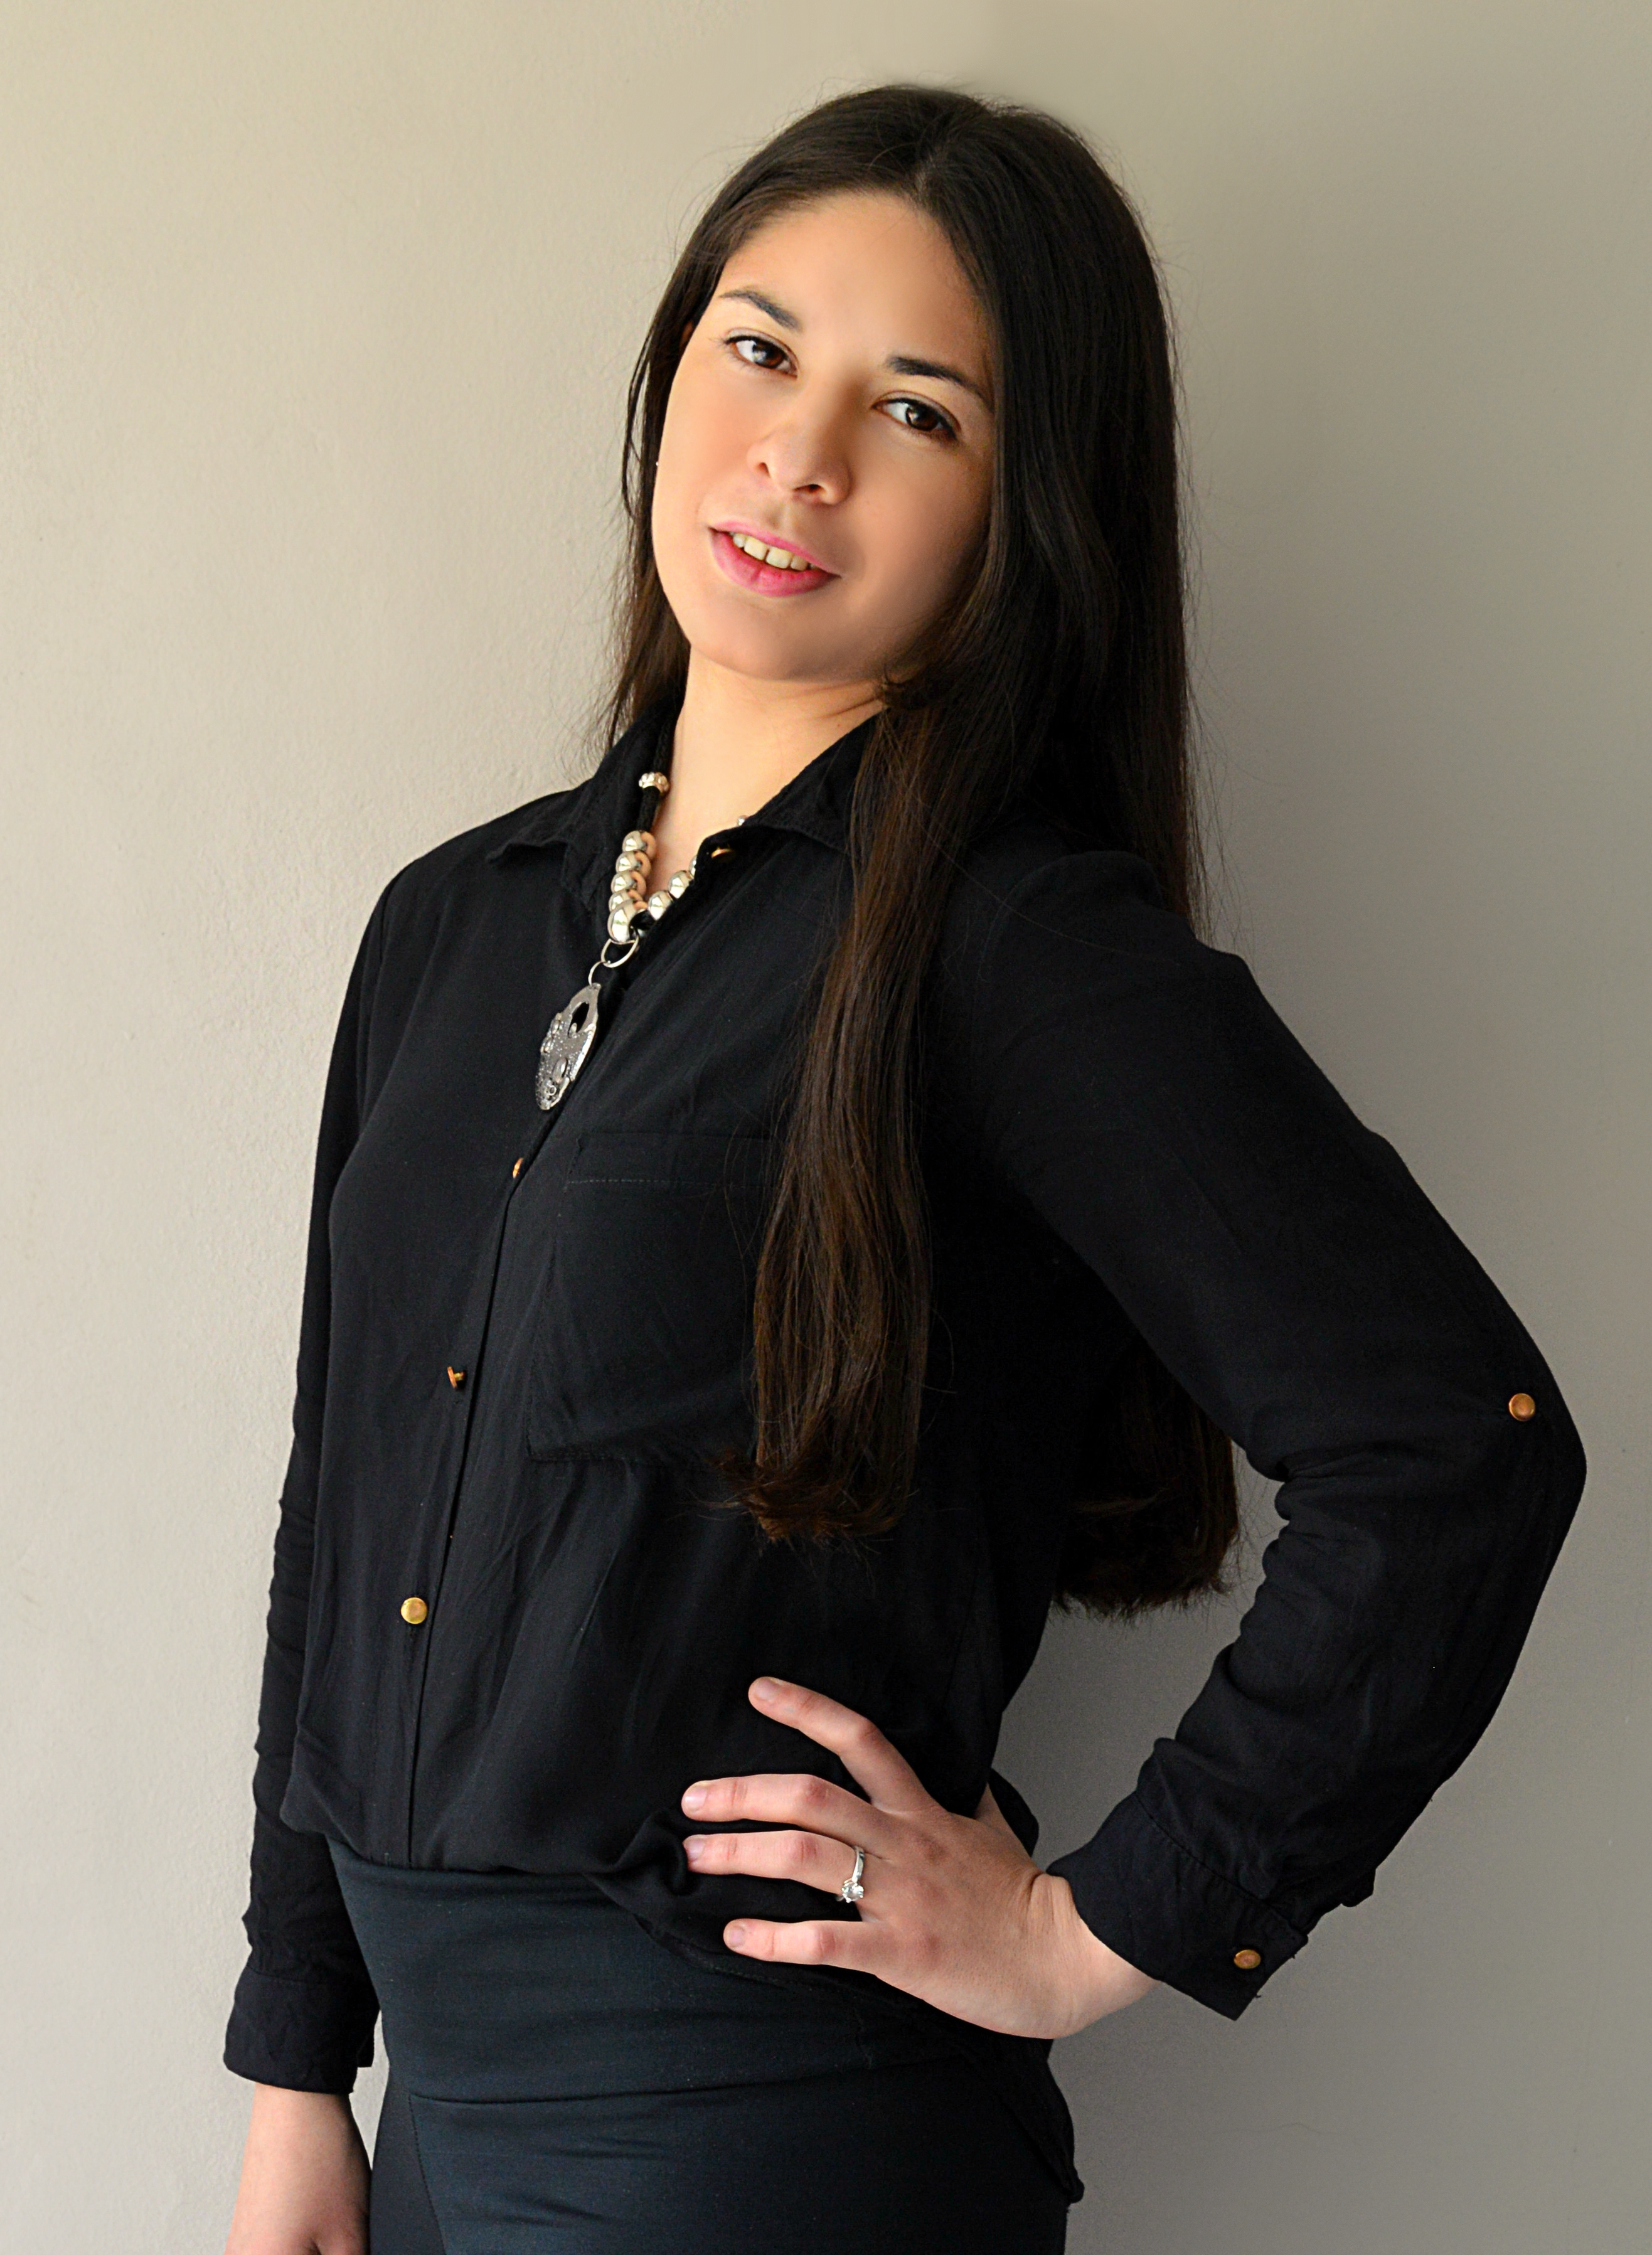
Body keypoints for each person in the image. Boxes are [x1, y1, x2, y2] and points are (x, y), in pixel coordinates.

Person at [221, 83, 1585, 2255]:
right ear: (671, 366)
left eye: (916, 409)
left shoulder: (1016, 952)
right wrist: (301, 2066)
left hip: (756, 2140)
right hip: (431, 2126)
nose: (800, 453)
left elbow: (1455, 1441)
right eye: (760, 349)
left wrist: (1091, 1928)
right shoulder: (449, 927)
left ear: (1020, 512)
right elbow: (347, 1491)